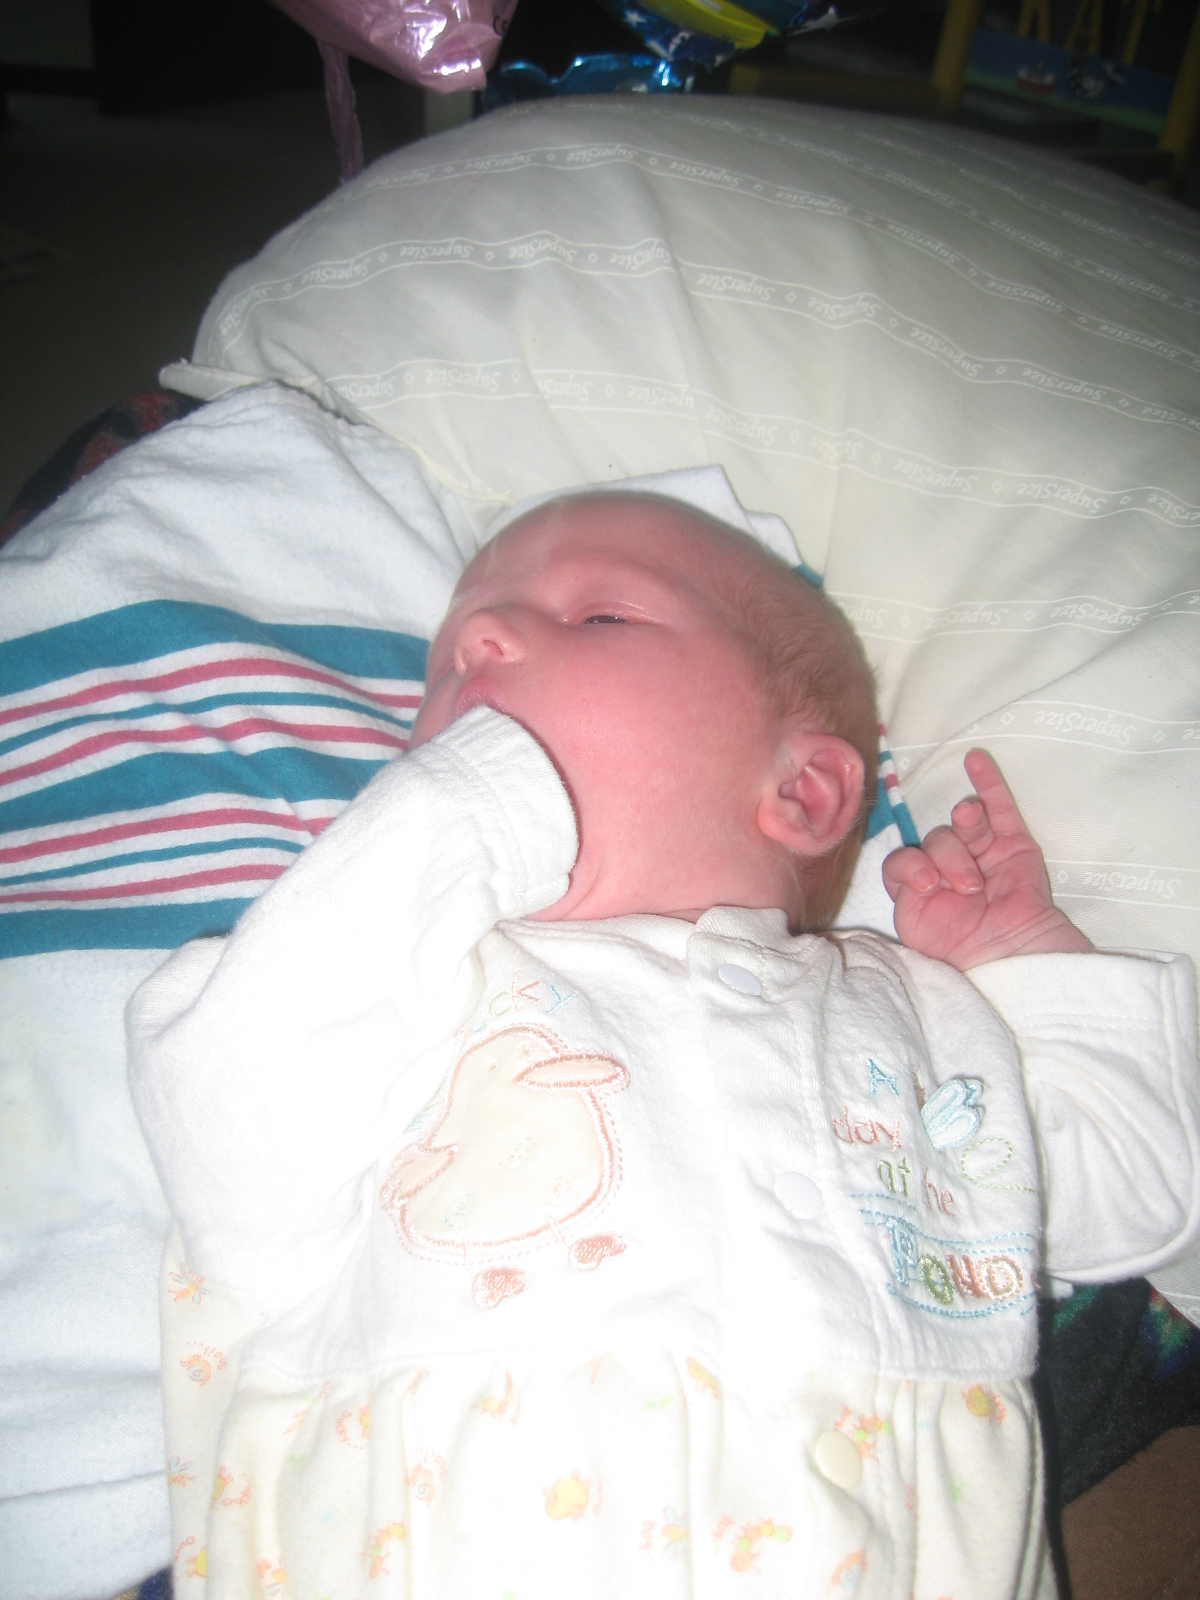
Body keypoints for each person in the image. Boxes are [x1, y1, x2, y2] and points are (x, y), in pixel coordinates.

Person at [128, 492, 1198, 1600]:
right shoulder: (397, 980)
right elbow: (227, 1145)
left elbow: (1126, 1194)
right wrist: (449, 823)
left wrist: (1020, 960)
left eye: (600, 618)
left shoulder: (911, 1013)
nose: (477, 641)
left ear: (802, 787)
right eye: (444, 667)